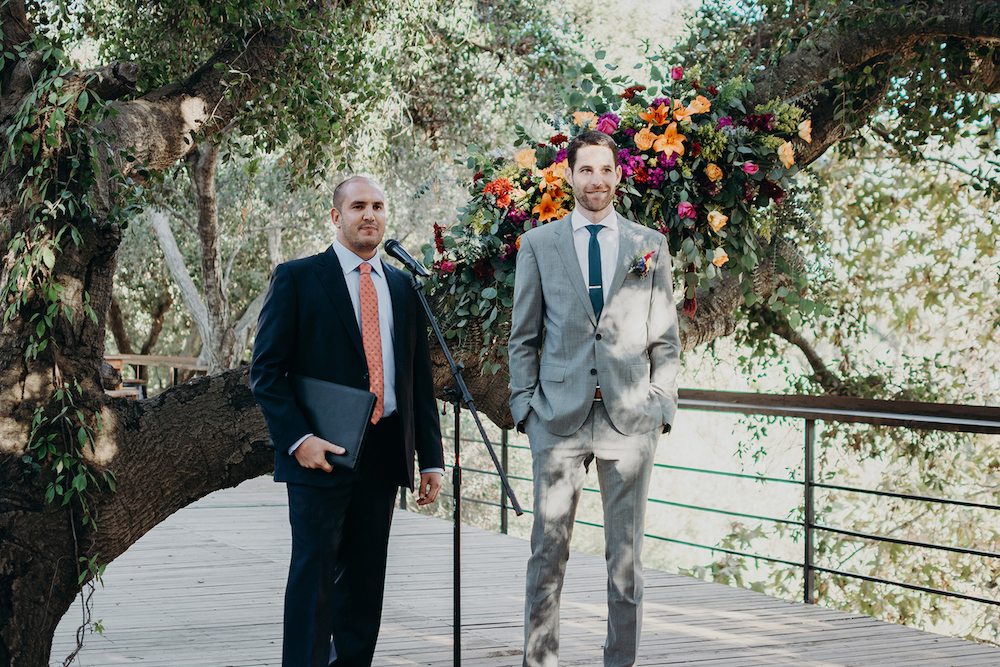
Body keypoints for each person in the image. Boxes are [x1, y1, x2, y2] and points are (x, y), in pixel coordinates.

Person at [250, 176, 445, 667]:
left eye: (378, 206)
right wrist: (298, 440)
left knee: (364, 586)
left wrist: (432, 459)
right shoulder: (297, 277)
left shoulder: (404, 287)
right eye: (358, 206)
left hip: (383, 454)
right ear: (336, 217)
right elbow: (266, 373)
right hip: (321, 454)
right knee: (313, 584)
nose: (370, 215)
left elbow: (417, 380)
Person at [508, 130, 681, 667]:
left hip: (630, 421)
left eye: (606, 170)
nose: (597, 181)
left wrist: (661, 407)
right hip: (556, 420)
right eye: (586, 170)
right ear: (569, 176)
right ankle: (540, 661)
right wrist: (525, 408)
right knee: (547, 553)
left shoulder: (648, 246)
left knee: (625, 563)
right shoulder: (538, 244)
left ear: (618, 176)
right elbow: (523, 336)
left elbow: (666, 338)